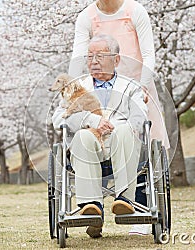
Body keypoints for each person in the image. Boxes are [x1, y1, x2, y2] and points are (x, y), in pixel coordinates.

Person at [69, 0, 168, 235]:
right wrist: (74, 92)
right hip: (97, 93)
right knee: (87, 139)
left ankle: (134, 209)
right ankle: (93, 211)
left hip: (134, 87)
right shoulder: (87, 16)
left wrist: (142, 86)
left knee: (137, 140)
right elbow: (77, 55)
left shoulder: (135, 12)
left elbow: (148, 54)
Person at [52, 34, 147, 238]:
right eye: (89, 56)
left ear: (116, 60)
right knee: (82, 137)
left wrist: (128, 127)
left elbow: (140, 115)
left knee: (123, 130)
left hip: (120, 140)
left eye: (100, 56)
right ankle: (92, 206)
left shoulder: (130, 86)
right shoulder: (76, 85)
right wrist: (91, 120)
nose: (93, 61)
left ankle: (125, 199)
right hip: (89, 142)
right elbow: (59, 119)